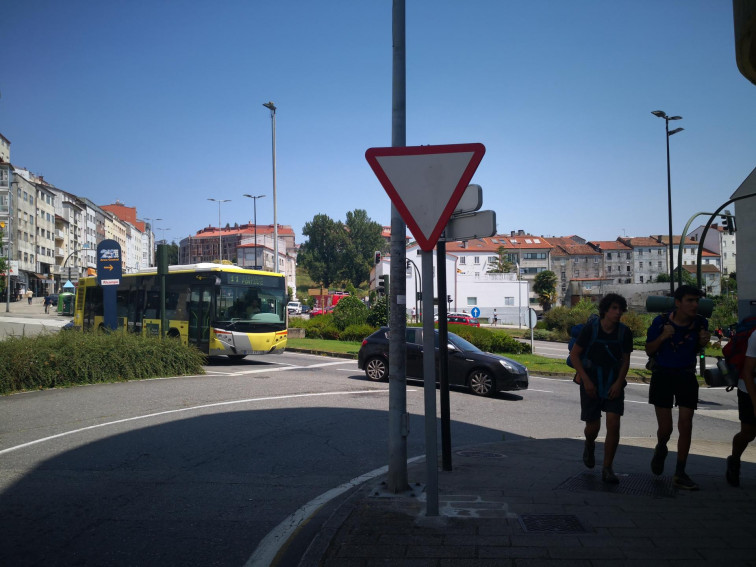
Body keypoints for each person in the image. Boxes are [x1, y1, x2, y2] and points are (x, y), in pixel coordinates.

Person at [645, 284, 710, 490]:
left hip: (686, 375)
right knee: (666, 429)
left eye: (696, 301)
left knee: (686, 424)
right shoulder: (661, 322)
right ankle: (661, 447)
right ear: (678, 303)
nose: (694, 305)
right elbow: (649, 350)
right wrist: (663, 336)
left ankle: (680, 472)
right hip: (662, 375)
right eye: (690, 300)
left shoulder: (700, 323)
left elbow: (697, 348)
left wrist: (703, 343)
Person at [570, 293, 632, 484]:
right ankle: (589, 444)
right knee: (593, 426)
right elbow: (575, 355)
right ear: (605, 310)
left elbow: (625, 361)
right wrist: (586, 381)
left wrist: (618, 382)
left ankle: (607, 468)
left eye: (620, 309)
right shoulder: (591, 329)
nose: (618, 312)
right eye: (614, 308)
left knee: (613, 423)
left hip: (613, 381)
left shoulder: (624, 332)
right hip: (591, 381)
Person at [726, 329, 756, 487]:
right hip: (749, 388)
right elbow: (748, 372)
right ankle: (734, 459)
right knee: (749, 433)